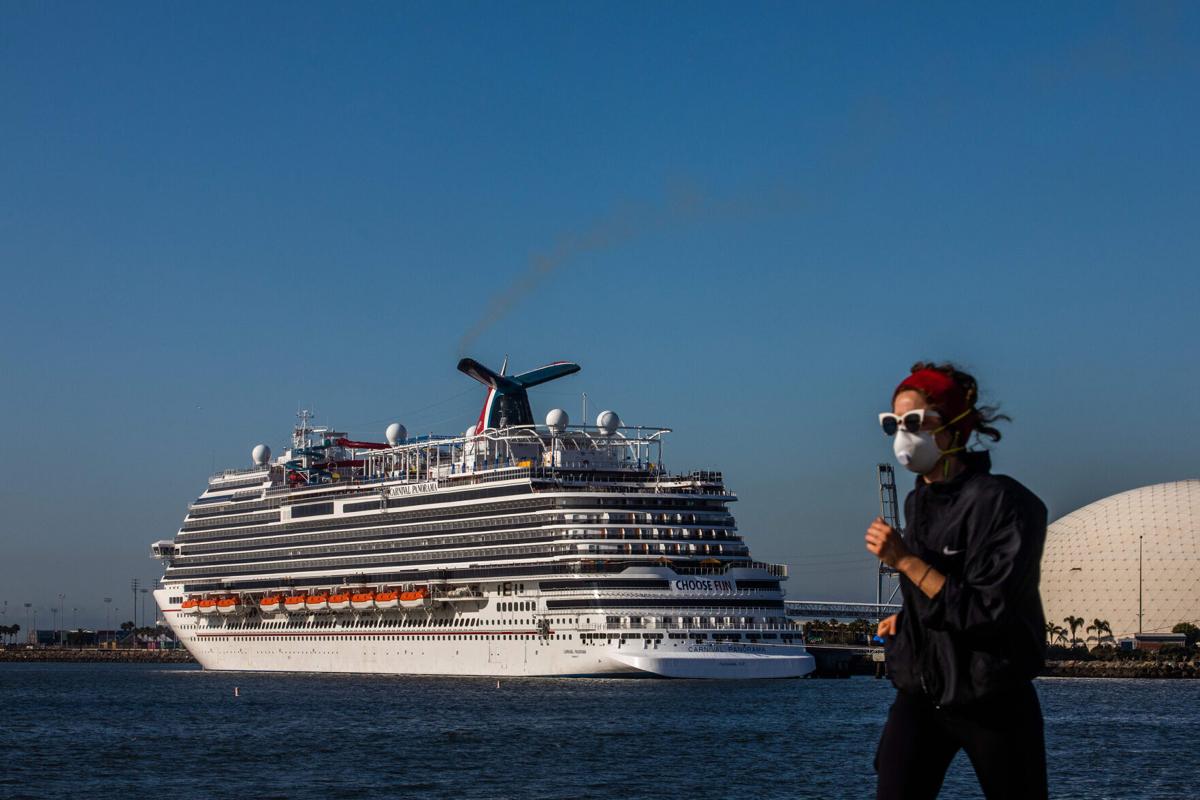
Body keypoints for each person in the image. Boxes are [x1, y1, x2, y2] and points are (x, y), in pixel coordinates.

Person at [865, 362, 1049, 800]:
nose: (902, 435)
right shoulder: (917, 502)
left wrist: (904, 561)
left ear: (955, 430)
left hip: (991, 692)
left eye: (914, 422)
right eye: (892, 423)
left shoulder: (1003, 503)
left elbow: (987, 610)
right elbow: (935, 592)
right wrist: (905, 622)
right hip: (924, 689)